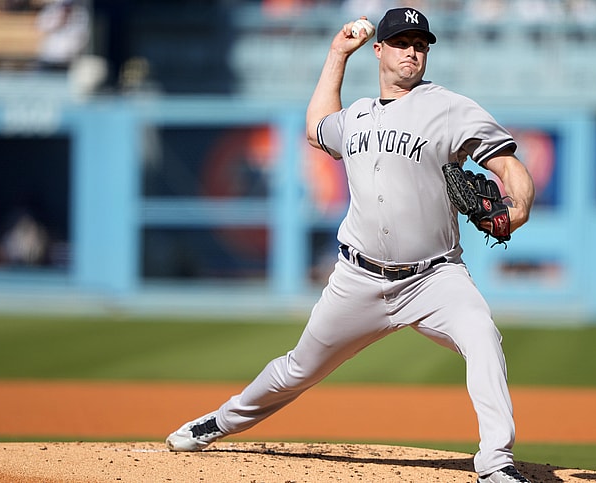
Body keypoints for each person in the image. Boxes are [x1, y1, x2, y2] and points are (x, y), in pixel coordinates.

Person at [165, 7, 537, 483]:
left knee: (483, 335)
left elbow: (509, 166)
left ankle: (495, 465)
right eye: (402, 42)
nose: (412, 51)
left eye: (420, 44)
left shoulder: (450, 108)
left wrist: (518, 206)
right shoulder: (357, 115)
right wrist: (338, 53)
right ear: (378, 50)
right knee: (297, 369)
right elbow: (316, 125)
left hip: (434, 277)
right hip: (358, 279)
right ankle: (217, 422)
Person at [35, 0, 90, 72]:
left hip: (69, 61)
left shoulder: (81, 13)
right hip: (49, 58)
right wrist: (59, 20)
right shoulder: (51, 10)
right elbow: (41, 26)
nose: (66, 8)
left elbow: (82, 36)